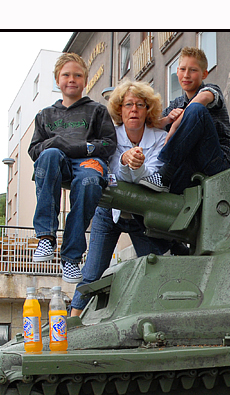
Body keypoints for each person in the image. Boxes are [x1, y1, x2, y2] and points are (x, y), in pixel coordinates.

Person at [69, 81, 171, 316]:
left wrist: (134, 164)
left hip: (141, 213)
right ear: (120, 109)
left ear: (147, 110)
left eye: (139, 104)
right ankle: (72, 319)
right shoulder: (110, 136)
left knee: (154, 265)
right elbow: (111, 173)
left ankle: (159, 315)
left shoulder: (159, 137)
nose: (133, 109)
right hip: (109, 212)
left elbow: (153, 176)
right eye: (128, 105)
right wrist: (126, 160)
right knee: (92, 271)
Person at [28, 53, 116, 283]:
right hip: (57, 162)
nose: (71, 79)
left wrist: (79, 147)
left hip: (87, 162)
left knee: (89, 181)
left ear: (85, 80)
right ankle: (45, 237)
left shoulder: (97, 110)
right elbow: (34, 149)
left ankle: (71, 258)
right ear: (58, 80)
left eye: (77, 75)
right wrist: (54, 144)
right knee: (49, 155)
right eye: (66, 75)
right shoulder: (45, 115)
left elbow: (108, 143)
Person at [139, 46, 230, 195]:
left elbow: (201, 100)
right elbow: (150, 125)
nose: (186, 75)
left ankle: (164, 174)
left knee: (196, 111)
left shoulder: (212, 90)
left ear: (204, 74)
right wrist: (168, 120)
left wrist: (175, 125)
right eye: (182, 69)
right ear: (177, 71)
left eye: (193, 70)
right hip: (189, 166)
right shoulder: (176, 104)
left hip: (218, 161)